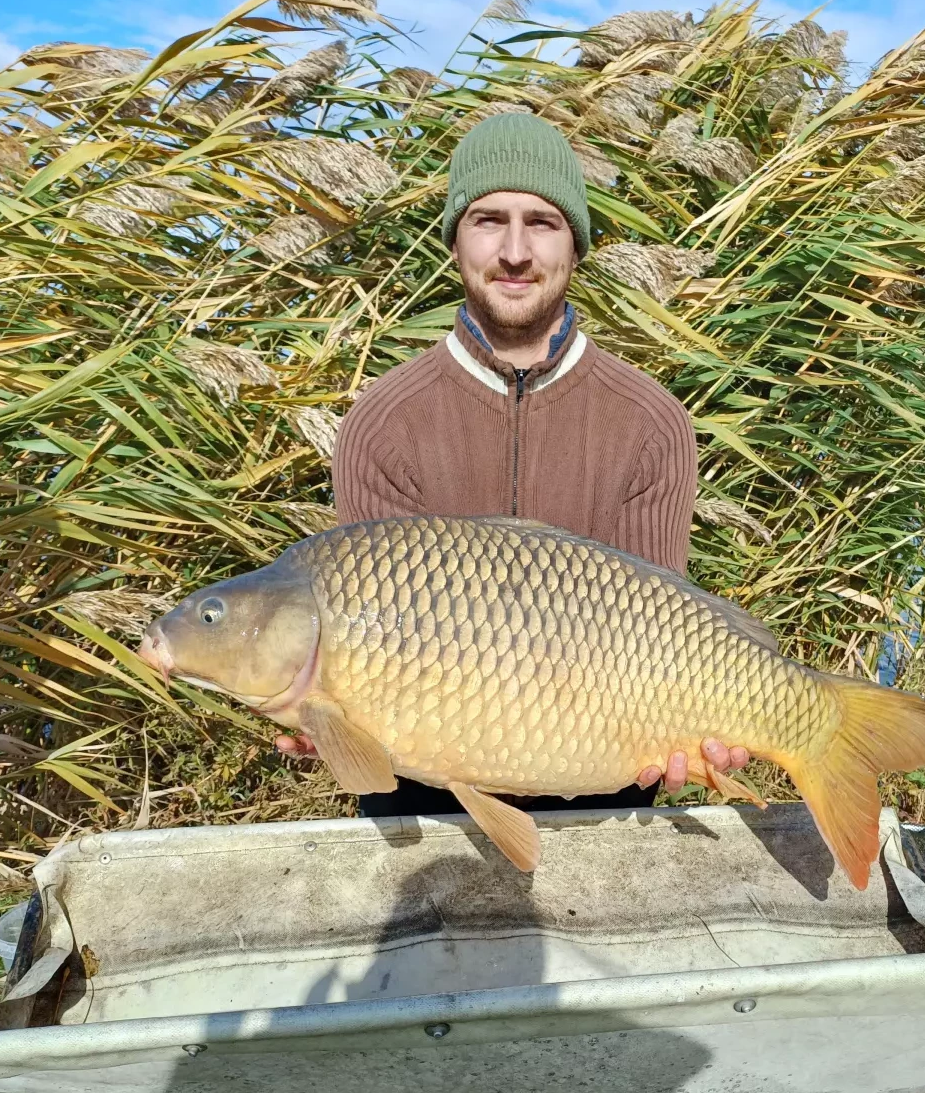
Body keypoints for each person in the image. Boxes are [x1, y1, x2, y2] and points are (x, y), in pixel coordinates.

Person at [277, 112, 750, 813]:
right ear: (455, 240)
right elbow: (370, 651)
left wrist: (695, 736)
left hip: (598, 783)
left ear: (575, 245)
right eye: (489, 220)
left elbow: (658, 630)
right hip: (423, 797)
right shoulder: (383, 422)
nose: (516, 251)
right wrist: (333, 721)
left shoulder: (652, 421)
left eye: (543, 223)